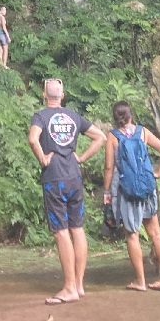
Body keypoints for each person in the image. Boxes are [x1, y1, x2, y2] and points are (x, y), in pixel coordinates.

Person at [29, 78, 106, 304]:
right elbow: (100, 137)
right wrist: (81, 158)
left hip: (54, 178)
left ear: (44, 95)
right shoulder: (73, 116)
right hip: (74, 177)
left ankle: (69, 288)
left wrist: (43, 158)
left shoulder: (41, 116)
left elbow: (33, 139)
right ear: (62, 96)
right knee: (77, 229)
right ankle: (78, 285)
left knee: (61, 232)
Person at [103, 101, 160, 292]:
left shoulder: (113, 136)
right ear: (131, 115)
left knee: (132, 234)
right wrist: (158, 173)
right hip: (147, 187)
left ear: (115, 118)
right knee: (156, 233)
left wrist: (107, 192)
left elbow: (109, 167)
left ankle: (140, 281)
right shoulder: (143, 132)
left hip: (127, 191)